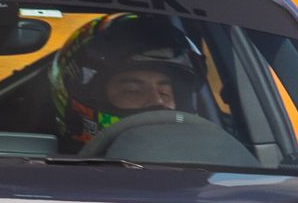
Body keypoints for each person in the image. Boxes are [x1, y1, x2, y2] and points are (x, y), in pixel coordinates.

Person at [49, 14, 213, 152]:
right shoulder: (48, 178)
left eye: (165, 92)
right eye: (133, 90)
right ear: (87, 95)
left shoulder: (205, 161)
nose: (157, 101)